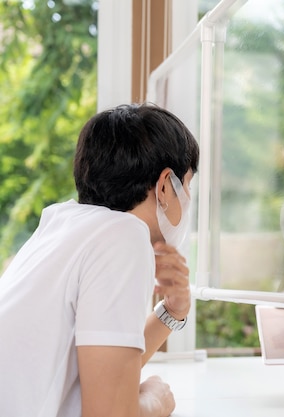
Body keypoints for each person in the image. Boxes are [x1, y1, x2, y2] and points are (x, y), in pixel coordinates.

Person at [0, 103, 200, 417]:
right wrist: (155, 403)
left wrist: (173, 311)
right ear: (164, 186)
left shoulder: (63, 222)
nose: (187, 198)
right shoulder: (124, 236)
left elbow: (99, 368)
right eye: (186, 186)